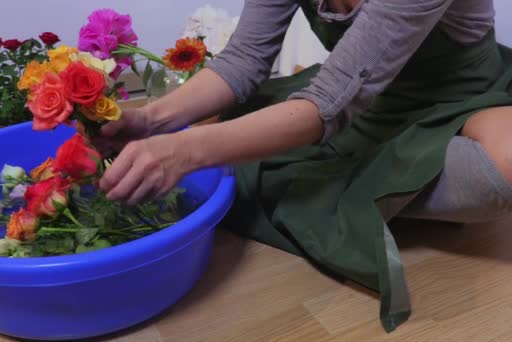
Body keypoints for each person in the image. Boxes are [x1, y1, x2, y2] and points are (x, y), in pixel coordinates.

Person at [81, 0, 512, 331]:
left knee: (505, 169)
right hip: (359, 102)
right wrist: (150, 119)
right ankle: (381, 192)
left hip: (459, 99)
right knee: (217, 125)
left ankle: (367, 190)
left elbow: (326, 105)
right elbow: (244, 60)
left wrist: (187, 150)